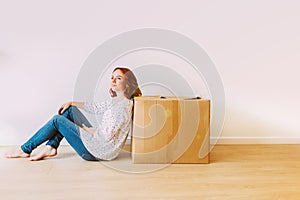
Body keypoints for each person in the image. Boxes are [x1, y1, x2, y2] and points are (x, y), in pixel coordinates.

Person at [4, 67, 142, 161]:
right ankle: (51, 147)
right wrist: (72, 103)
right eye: (112, 77)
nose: (112, 80)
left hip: (98, 152)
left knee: (57, 121)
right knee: (70, 111)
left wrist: (84, 129)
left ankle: (25, 149)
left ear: (128, 84)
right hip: (98, 145)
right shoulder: (118, 102)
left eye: (118, 78)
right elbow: (96, 107)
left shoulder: (122, 107)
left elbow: (106, 137)